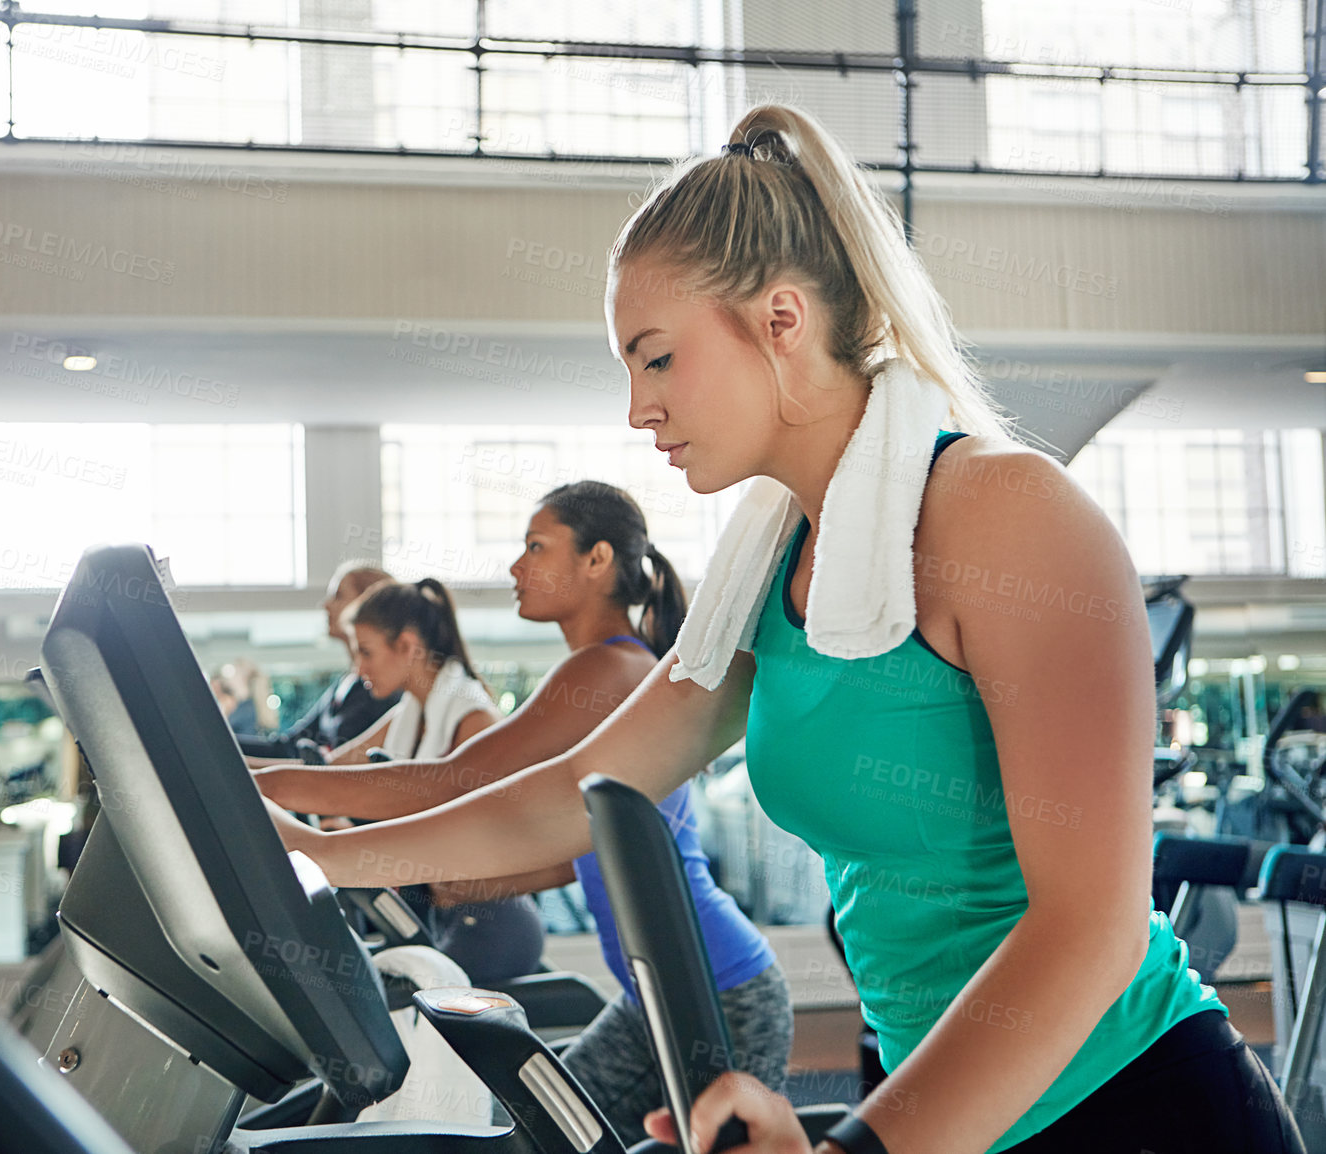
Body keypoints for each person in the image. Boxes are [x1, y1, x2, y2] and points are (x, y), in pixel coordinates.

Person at [265, 103, 1303, 1154]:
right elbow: (567, 797)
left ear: (780, 320)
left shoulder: (1008, 516)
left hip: (1136, 1108)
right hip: (944, 1119)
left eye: (657, 358)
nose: (635, 407)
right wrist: (310, 855)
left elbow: (1091, 929)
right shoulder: (769, 572)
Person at [256, 480, 794, 1145]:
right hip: (656, 992)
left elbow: (454, 779)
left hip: (717, 990)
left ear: (597, 561)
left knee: (544, 1135)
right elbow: (584, 849)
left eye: (536, 547)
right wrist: (471, 876)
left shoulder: (604, 671)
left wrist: (274, 792)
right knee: (539, 1131)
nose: (516, 567)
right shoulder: (605, 670)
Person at [325, 575, 545, 985]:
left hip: (494, 922)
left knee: (407, 1008)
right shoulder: (413, 711)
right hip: (442, 914)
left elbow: (472, 829)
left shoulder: (473, 718)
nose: (359, 668)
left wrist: (356, 830)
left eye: (367, 652)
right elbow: (336, 770)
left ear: (407, 646)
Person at [237, 561, 401, 762]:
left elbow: (339, 769)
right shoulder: (345, 682)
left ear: (366, 603)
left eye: (338, 596)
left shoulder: (383, 688)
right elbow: (289, 745)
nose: (325, 605)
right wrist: (222, 740)